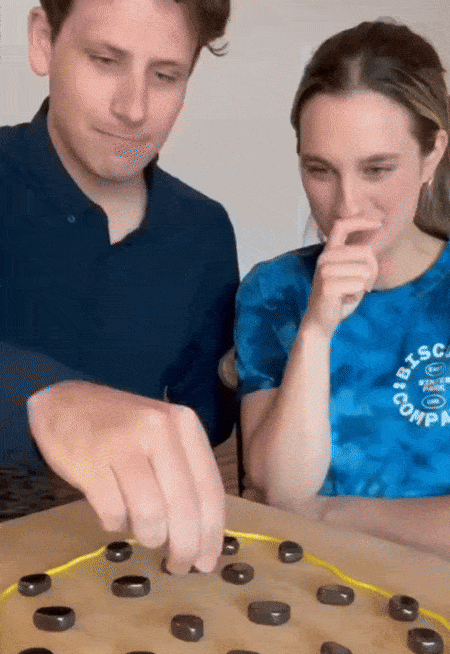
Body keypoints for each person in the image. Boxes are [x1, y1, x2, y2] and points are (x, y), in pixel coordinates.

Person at [0, 0, 239, 574]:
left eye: (166, 76)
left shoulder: (205, 232)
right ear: (43, 40)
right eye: (105, 60)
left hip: (117, 573)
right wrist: (44, 398)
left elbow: (206, 422)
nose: (134, 110)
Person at [235, 21, 450, 559]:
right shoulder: (274, 291)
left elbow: (297, 510)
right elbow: (282, 490)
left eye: (377, 169)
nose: (346, 205)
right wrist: (317, 328)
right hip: (307, 585)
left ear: (432, 154)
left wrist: (331, 513)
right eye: (320, 170)